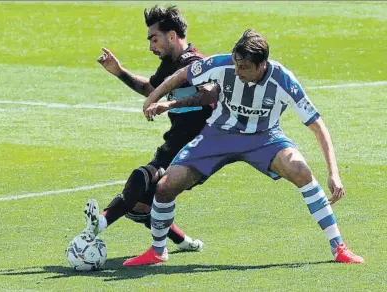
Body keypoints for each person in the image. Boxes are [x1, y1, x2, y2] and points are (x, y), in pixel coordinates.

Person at [122, 29, 364, 266]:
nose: (237, 72)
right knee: (165, 186)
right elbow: (182, 75)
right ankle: (158, 251)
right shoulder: (223, 64)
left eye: (244, 67)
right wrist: (152, 98)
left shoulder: (283, 80)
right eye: (236, 64)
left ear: (262, 65)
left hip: (264, 137)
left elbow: (317, 126)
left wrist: (334, 173)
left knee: (301, 172)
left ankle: (339, 247)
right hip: (219, 134)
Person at [82, 5, 219, 252]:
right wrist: (119, 72)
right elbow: (151, 90)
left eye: (154, 39)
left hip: (199, 148)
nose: (150, 46)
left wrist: (170, 104)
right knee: (139, 207)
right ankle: (185, 242)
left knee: (143, 178)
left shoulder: (196, 63)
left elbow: (208, 95)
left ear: (172, 36)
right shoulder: (169, 63)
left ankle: (99, 223)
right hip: (175, 143)